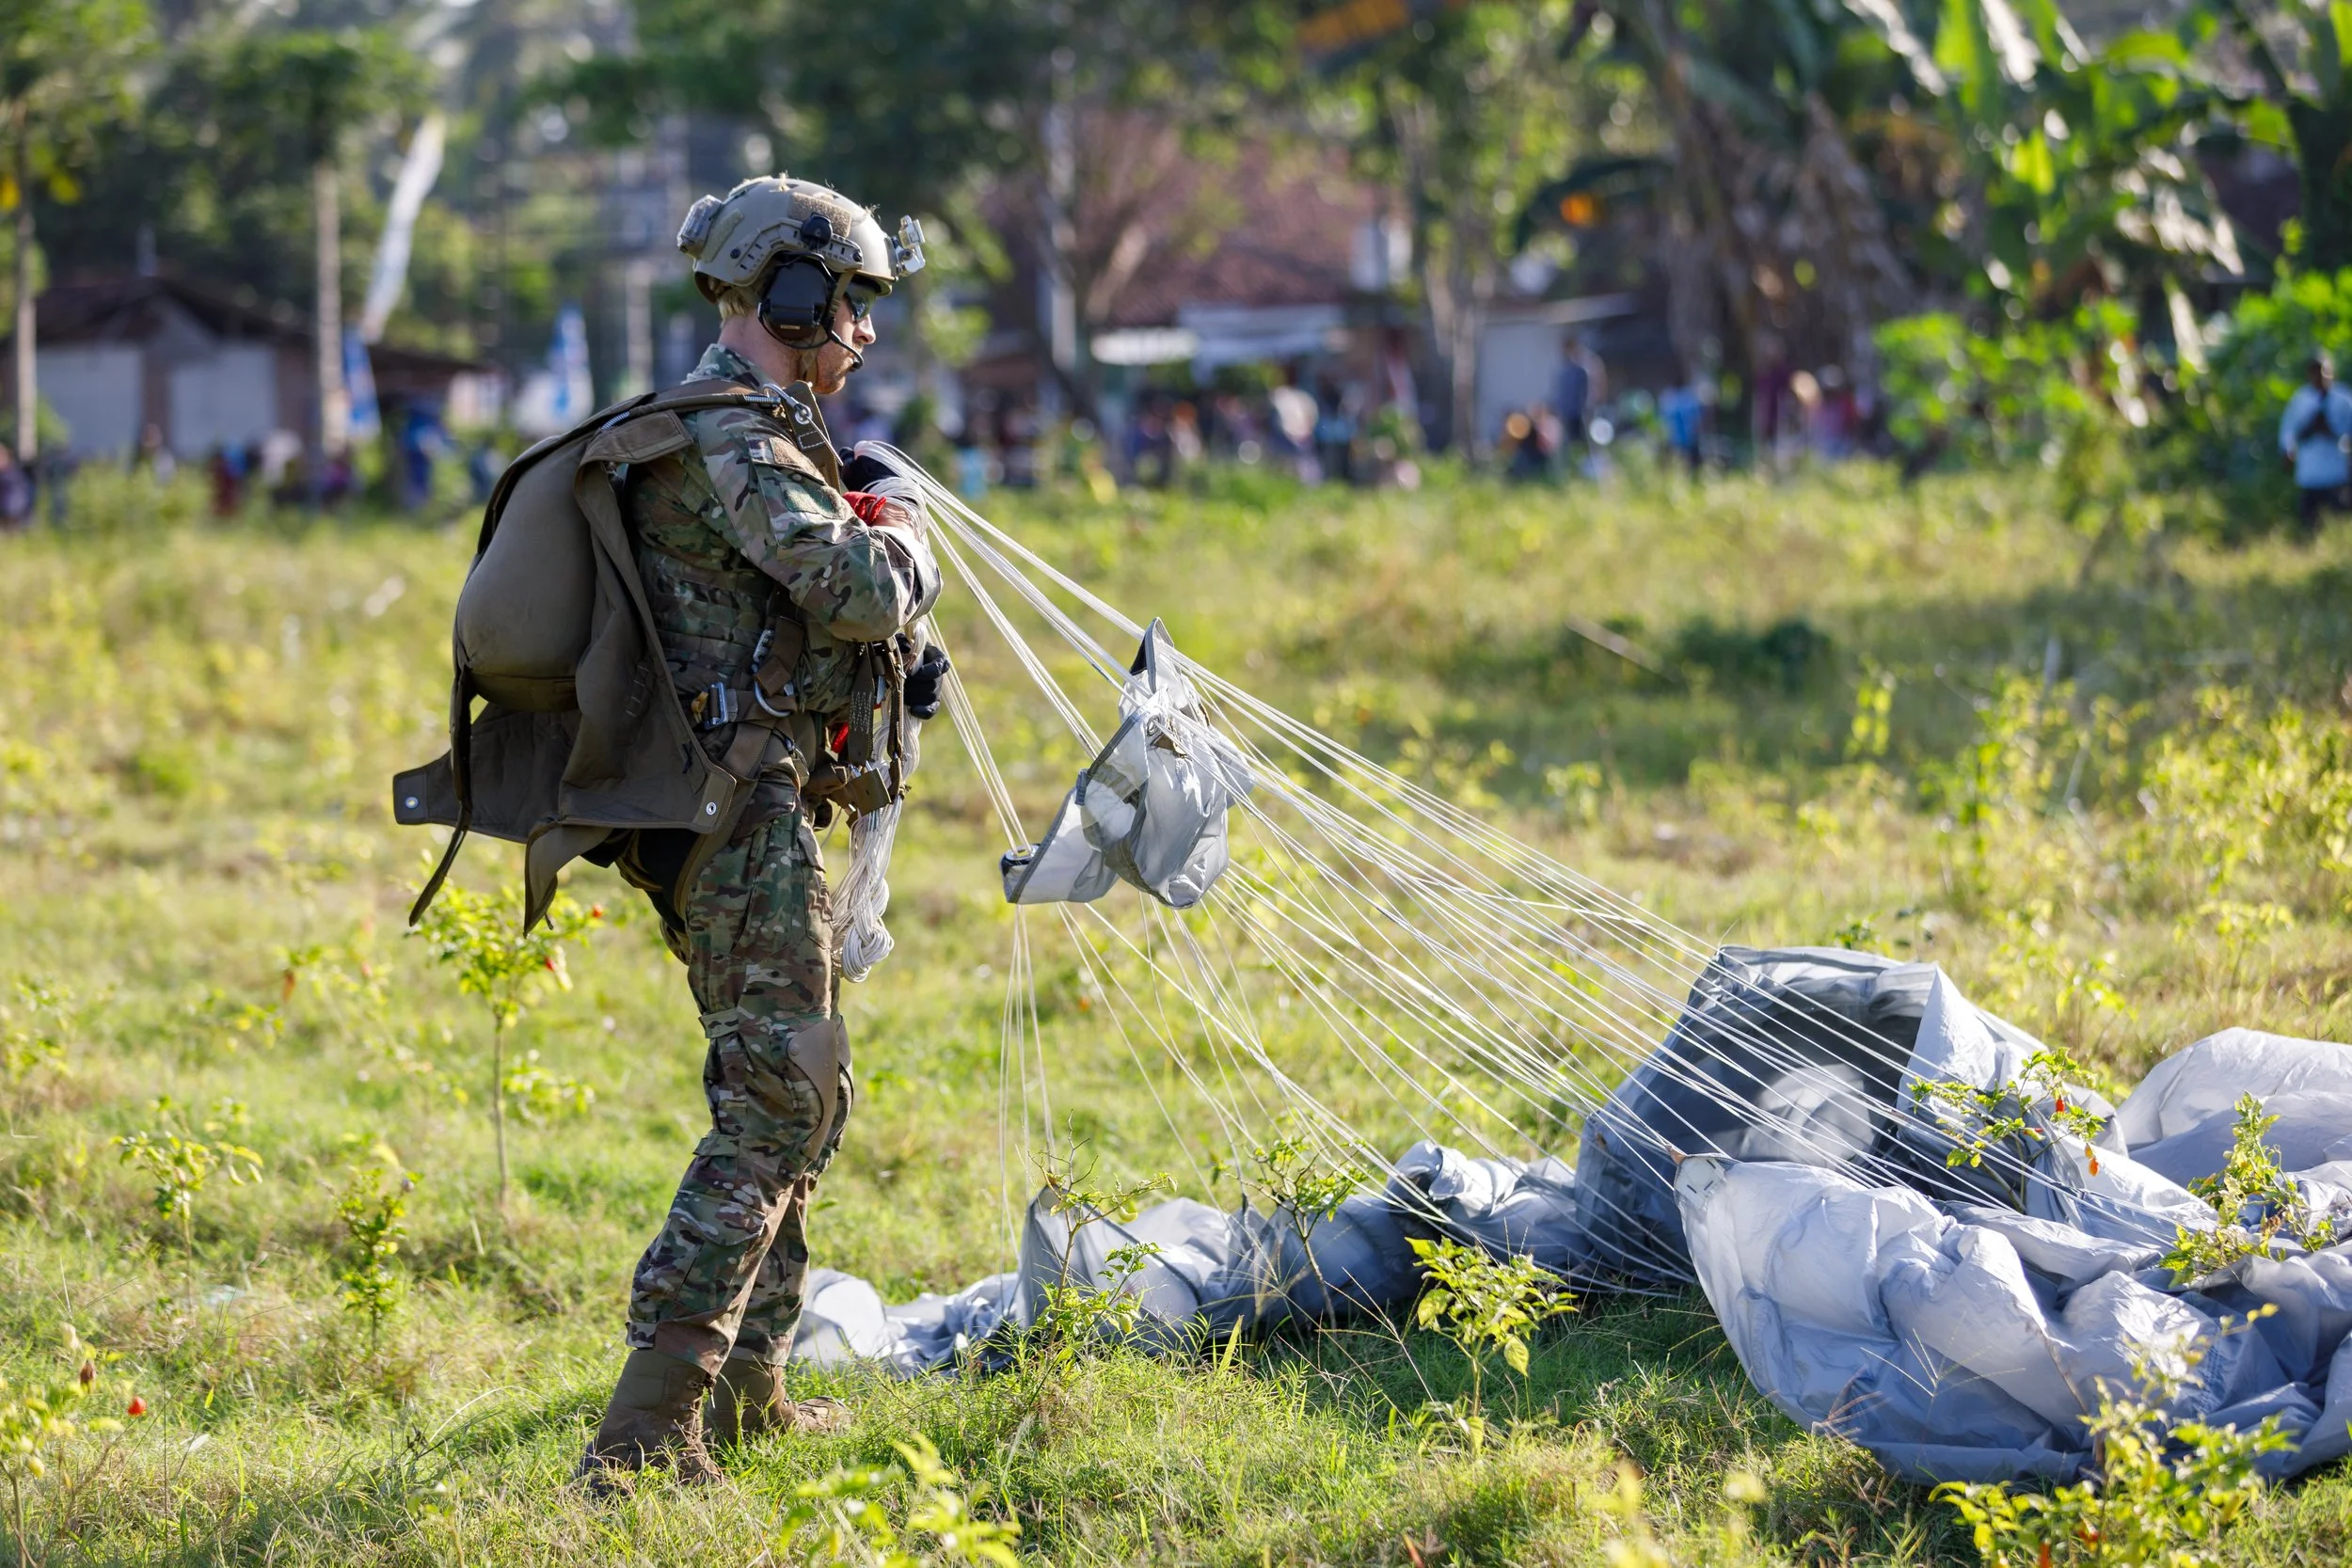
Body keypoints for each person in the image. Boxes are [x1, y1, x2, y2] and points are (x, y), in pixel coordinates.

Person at [575, 174, 946, 1490]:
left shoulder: (755, 428)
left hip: (741, 798)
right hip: (737, 809)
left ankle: (747, 1392)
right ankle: (640, 1437)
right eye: (851, 299)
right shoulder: (734, 430)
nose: (863, 329)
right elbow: (846, 586)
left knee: (800, 1088)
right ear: (791, 292)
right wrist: (903, 531)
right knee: (778, 1095)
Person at [2279, 348, 2352, 540]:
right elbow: (2289, 431)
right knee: (2309, 524)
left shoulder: (2344, 399)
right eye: (2315, 372)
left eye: (2323, 371)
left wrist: (2330, 430)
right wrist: (2289, 451)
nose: (2319, 377)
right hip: (2309, 473)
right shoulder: (2300, 399)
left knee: (2339, 522)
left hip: (2336, 472)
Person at [1552, 334, 1606, 447]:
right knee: (1574, 440)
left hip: (1587, 408)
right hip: (1572, 410)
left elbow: (1598, 384)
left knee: (1591, 438)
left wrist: (1594, 403)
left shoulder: (1588, 362)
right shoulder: (1567, 365)